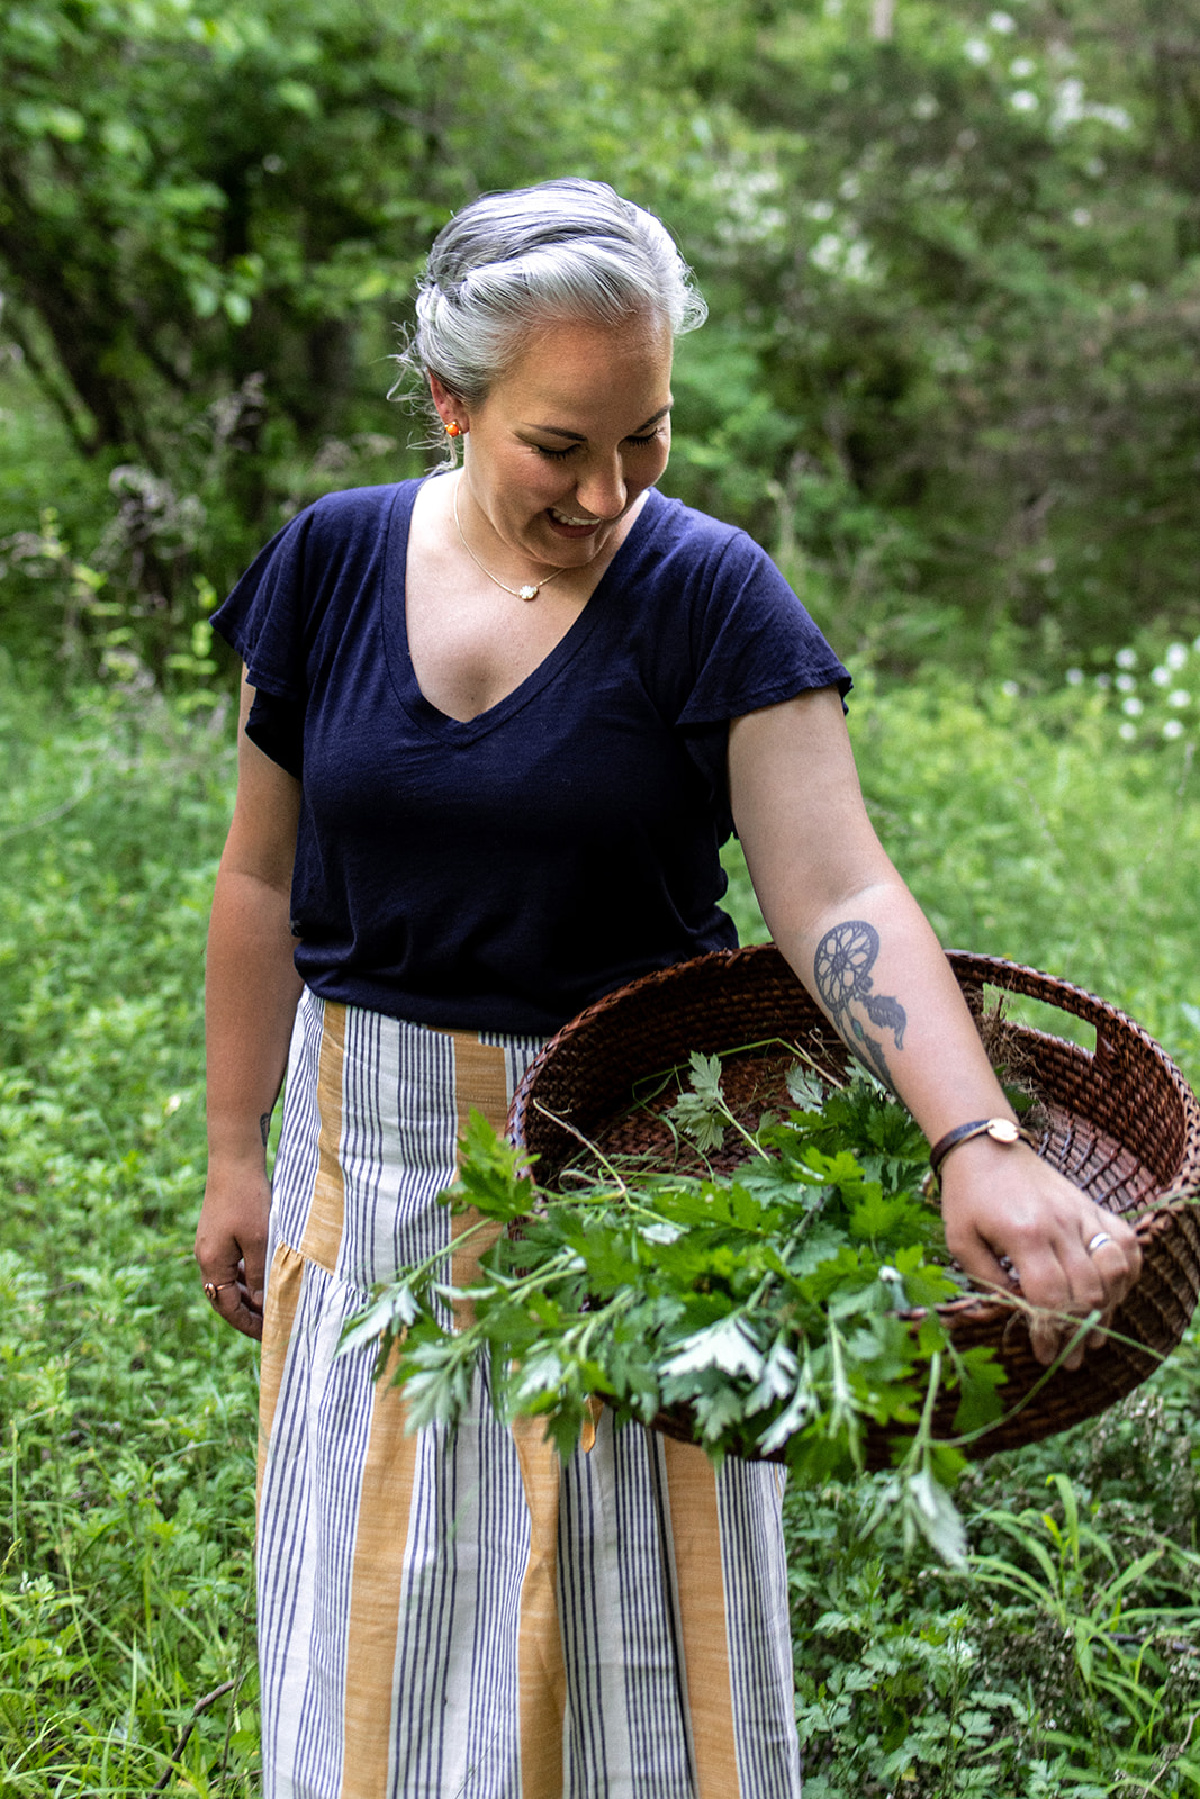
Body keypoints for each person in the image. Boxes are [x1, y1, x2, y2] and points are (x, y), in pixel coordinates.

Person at [196, 178, 1141, 1799]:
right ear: (451, 399)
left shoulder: (708, 593)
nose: (610, 490)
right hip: (365, 1181)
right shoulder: (332, 562)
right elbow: (261, 881)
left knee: (625, 1649)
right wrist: (232, 1142)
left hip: (627, 1197)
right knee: (379, 1617)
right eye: (561, 446)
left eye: (649, 436)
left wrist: (975, 1132)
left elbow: (838, 888)